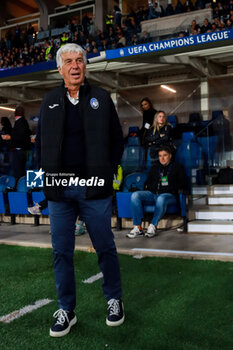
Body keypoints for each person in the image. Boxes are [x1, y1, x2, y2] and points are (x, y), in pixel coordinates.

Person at [36, 43, 125, 337]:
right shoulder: (49, 100)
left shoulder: (101, 97)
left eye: (80, 61)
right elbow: (40, 147)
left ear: (85, 66)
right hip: (60, 190)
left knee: (105, 247)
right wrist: (46, 181)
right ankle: (67, 309)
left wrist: (106, 172)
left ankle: (114, 300)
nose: (75, 66)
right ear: (60, 69)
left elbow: (116, 139)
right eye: (69, 62)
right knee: (62, 252)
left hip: (94, 189)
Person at [127, 146, 187, 238]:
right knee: (135, 195)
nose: (162, 158)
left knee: (161, 198)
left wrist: (168, 187)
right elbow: (147, 183)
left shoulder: (177, 167)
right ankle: (138, 227)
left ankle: (153, 225)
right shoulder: (155, 168)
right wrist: (152, 187)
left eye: (165, 155)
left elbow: (182, 184)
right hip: (153, 193)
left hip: (169, 195)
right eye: (160, 156)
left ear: (170, 156)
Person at [1, 106, 31, 179]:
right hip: (20, 150)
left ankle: (17, 186)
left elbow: (21, 137)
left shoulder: (21, 122)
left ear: (15, 113)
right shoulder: (22, 122)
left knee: (18, 171)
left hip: (18, 150)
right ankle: (19, 185)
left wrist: (9, 137)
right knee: (19, 171)